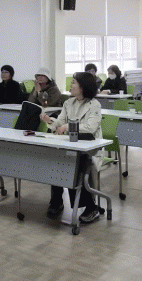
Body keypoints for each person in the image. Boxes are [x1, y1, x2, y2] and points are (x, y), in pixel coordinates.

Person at [41, 72, 102, 224]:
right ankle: (56, 201)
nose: (71, 85)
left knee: (75, 166)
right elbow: (60, 122)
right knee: (57, 162)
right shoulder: (69, 103)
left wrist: (67, 127)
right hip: (70, 145)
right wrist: (50, 121)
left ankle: (91, 208)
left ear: (83, 87)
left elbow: (90, 128)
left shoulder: (94, 104)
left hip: (89, 147)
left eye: (74, 82)